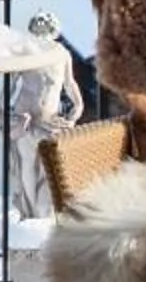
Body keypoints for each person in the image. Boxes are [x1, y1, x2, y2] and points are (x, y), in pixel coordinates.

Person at [5, 11, 86, 220]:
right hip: (25, 119)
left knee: (47, 168)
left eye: (46, 29)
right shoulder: (25, 53)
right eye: (38, 29)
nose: (42, 35)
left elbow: (69, 83)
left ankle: (42, 213)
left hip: (49, 122)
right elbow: (11, 85)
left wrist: (77, 106)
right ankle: (30, 212)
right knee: (27, 165)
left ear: (53, 32)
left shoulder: (61, 54)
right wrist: (8, 113)